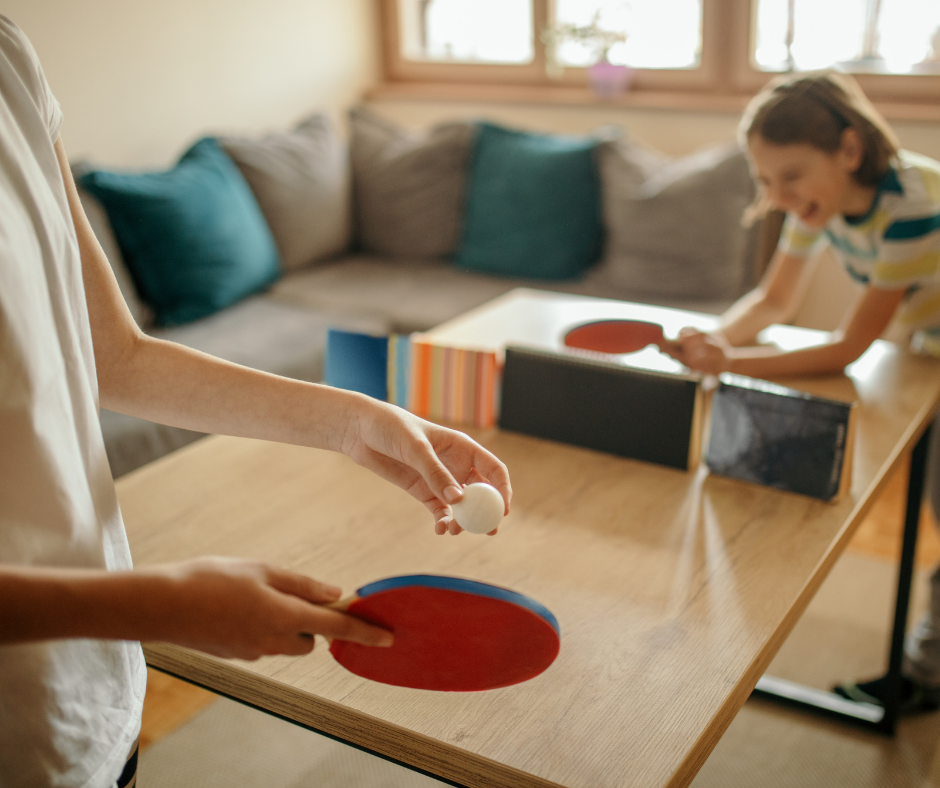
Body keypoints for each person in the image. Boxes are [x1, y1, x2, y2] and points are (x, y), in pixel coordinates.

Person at [0, 15, 511, 788]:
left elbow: (116, 356)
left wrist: (358, 419)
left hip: (88, 701)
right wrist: (152, 603)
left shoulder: (11, 55)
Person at [666, 70, 940, 713]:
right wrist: (708, 344)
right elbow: (774, 299)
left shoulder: (912, 208)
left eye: (789, 176)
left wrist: (729, 361)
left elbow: (850, 347)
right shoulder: (819, 201)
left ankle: (929, 671)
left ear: (848, 151)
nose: (779, 194)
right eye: (765, 181)